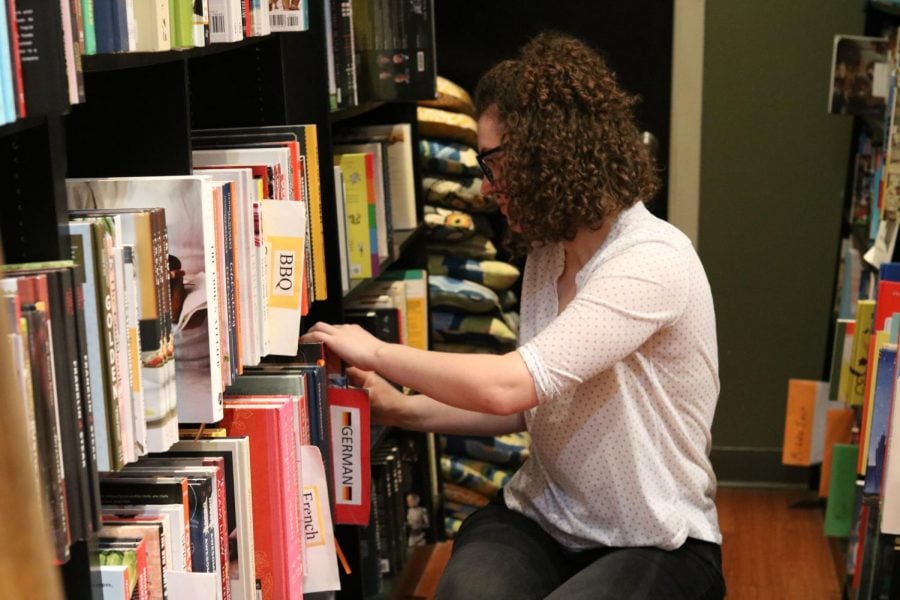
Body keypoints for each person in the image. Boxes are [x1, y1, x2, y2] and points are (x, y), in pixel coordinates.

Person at [301, 31, 725, 600]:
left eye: (493, 161)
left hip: (657, 539)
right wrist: (400, 410)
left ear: (548, 153)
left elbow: (509, 387)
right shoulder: (548, 254)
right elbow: (529, 410)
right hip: (542, 519)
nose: (485, 182)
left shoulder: (650, 260)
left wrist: (376, 350)